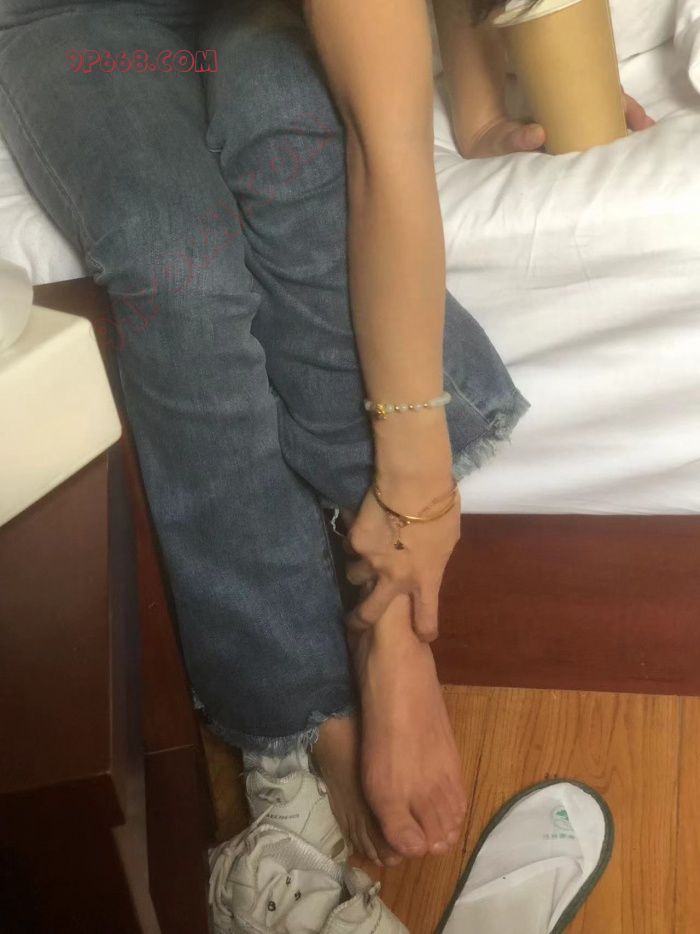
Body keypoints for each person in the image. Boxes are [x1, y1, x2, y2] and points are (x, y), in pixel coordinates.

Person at [0, 0, 650, 869]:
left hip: (258, 12)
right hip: (76, 19)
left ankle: (388, 619)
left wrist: (481, 113)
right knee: (175, 258)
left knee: (300, 138)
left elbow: (386, 155)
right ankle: (297, 708)